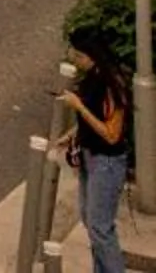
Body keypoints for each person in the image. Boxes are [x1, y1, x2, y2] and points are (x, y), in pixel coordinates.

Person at [67, 27, 130, 273]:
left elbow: (111, 134)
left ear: (92, 56)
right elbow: (92, 119)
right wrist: (71, 135)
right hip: (89, 155)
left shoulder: (112, 84)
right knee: (90, 221)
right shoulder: (92, 78)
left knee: (100, 228)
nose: (76, 60)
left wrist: (79, 107)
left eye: (80, 56)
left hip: (107, 162)